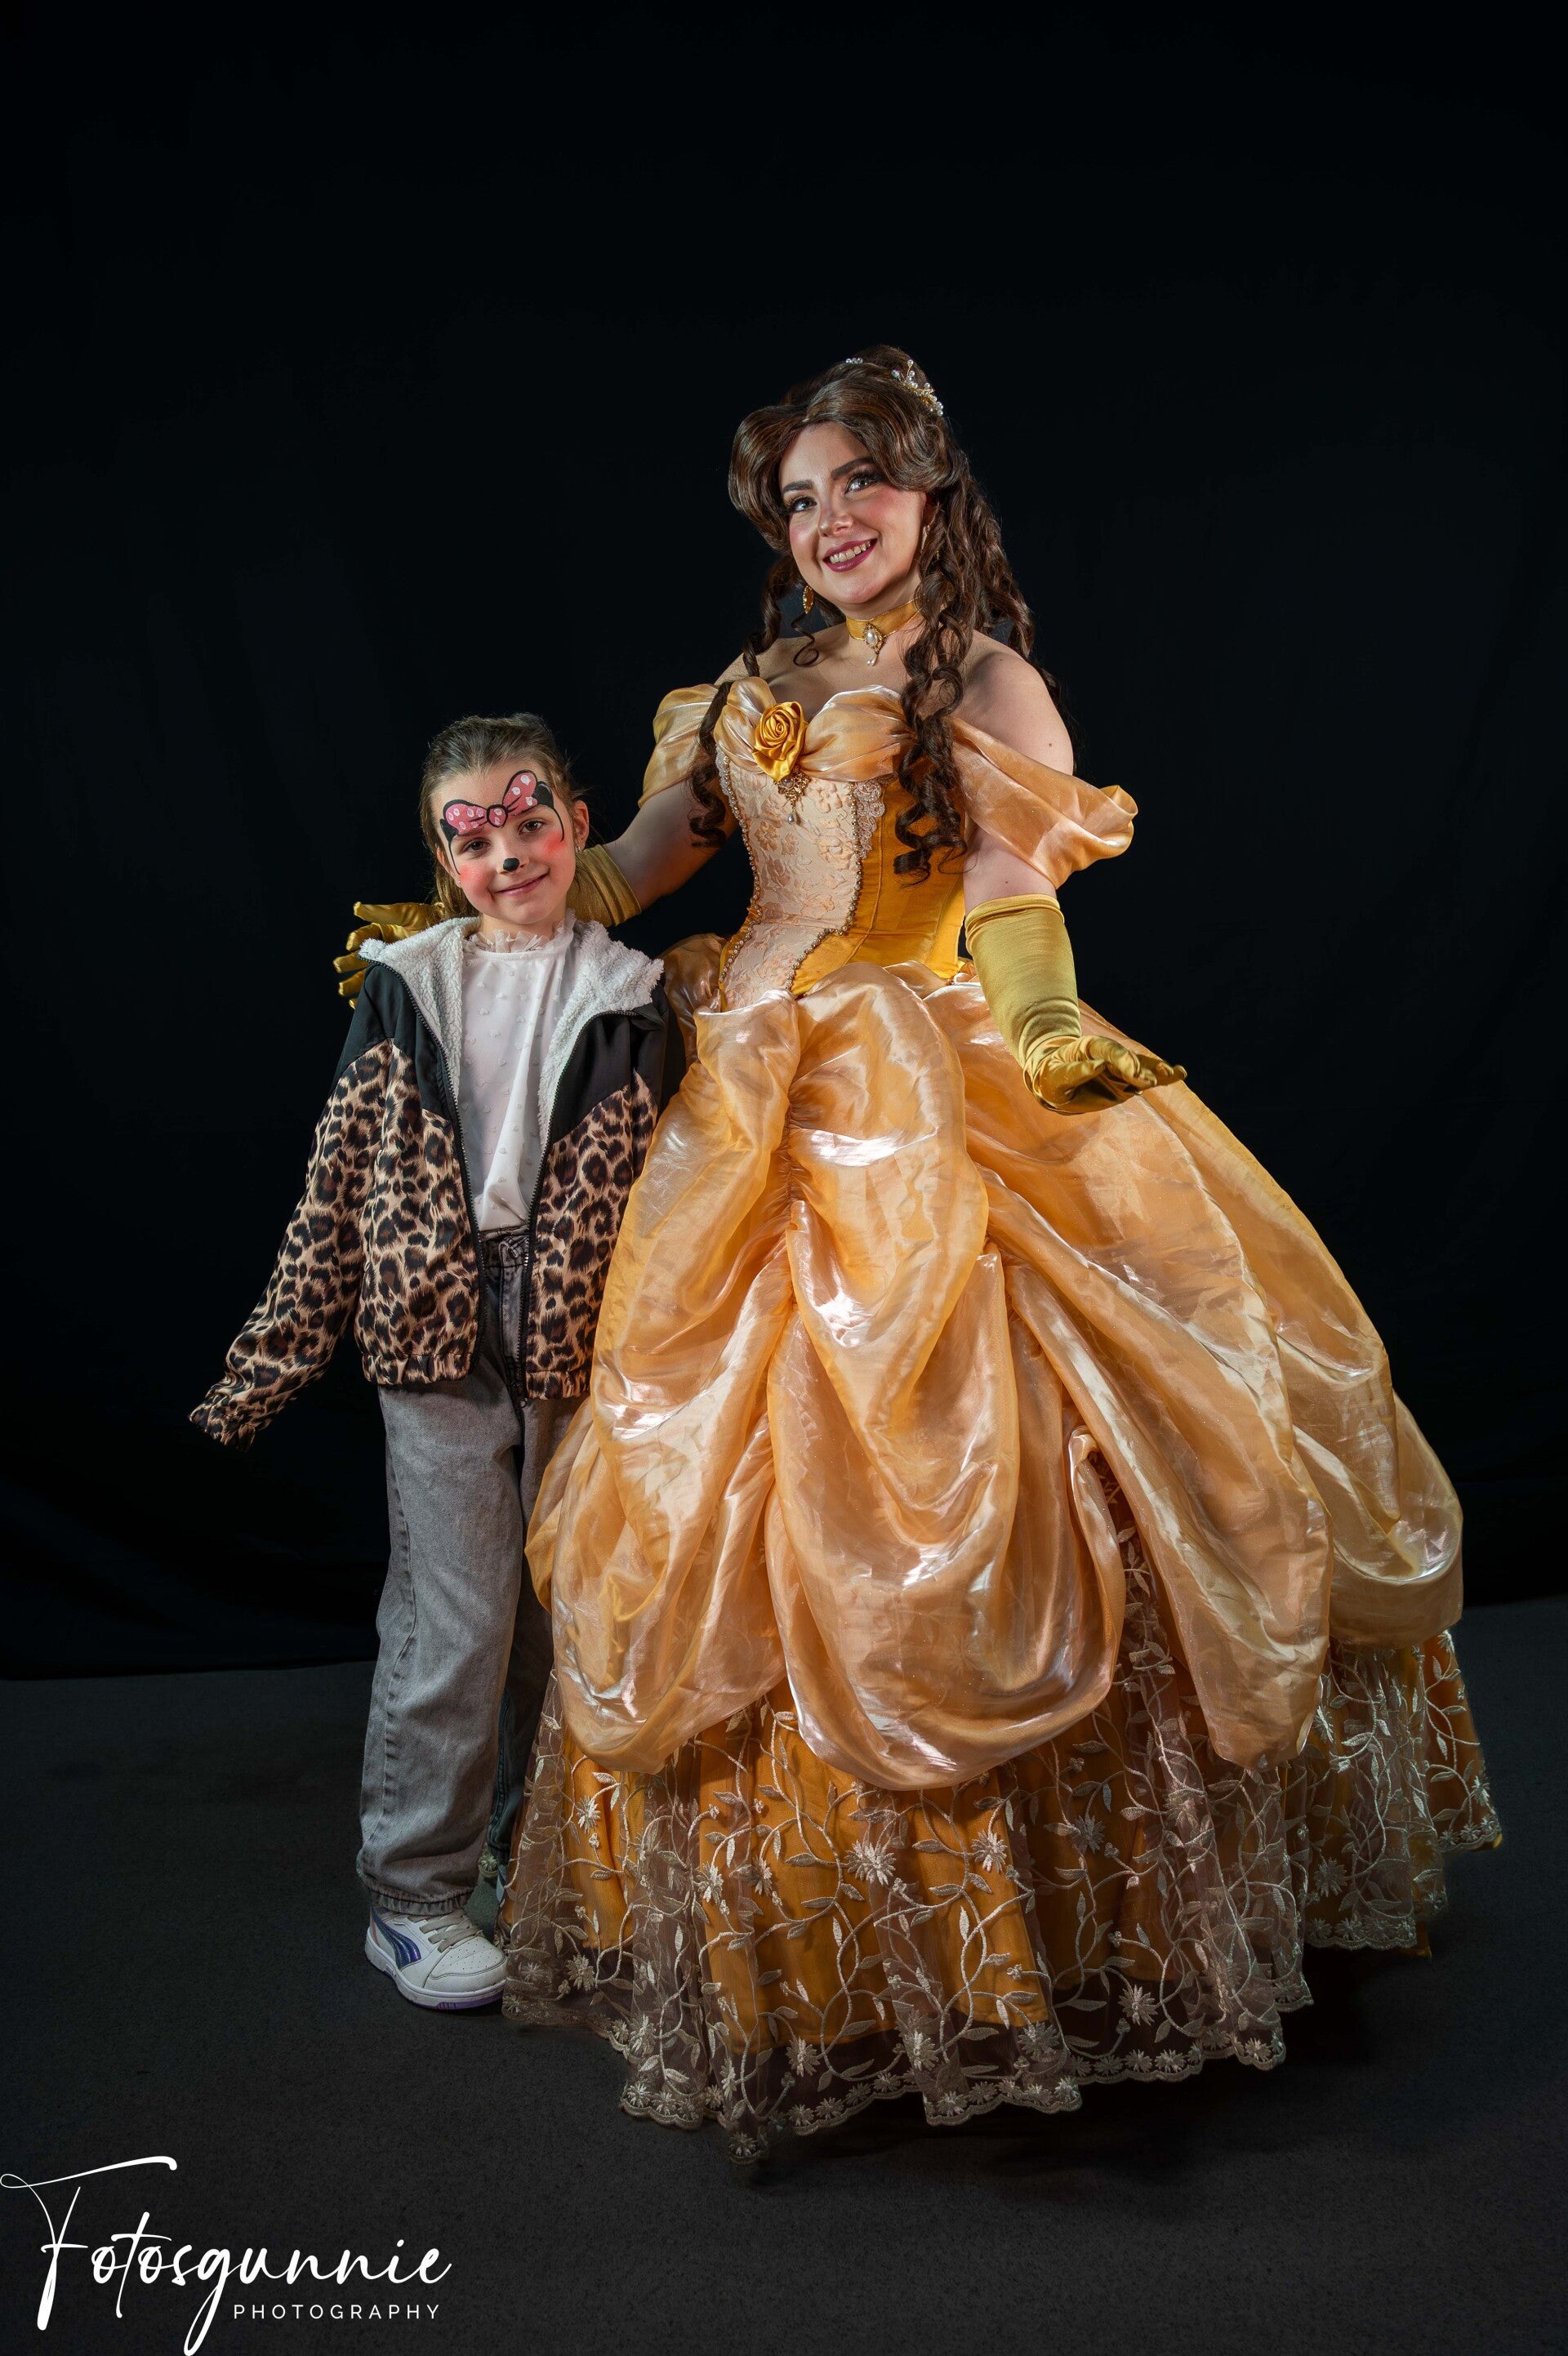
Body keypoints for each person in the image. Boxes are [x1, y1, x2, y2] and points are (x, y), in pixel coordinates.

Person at [480, 349, 1497, 2158]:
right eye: (800, 500)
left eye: (860, 484)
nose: (830, 522)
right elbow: (639, 862)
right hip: (752, 1088)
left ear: (932, 491)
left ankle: (1063, 1934)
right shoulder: (741, 689)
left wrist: (1040, 1028)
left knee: (1019, 1443)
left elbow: (1015, 895)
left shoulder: (986, 677)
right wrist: (497, 897)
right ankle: (828, 1954)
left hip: (926, 1066)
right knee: (706, 1460)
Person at [194, 713, 683, 2010]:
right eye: (474, 839)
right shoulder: (407, 986)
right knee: (455, 1619)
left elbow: (682, 1185)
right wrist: (273, 1356)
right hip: (436, 1330)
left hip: (578, 1336)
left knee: (561, 1623)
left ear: (577, 826)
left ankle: (528, 1864)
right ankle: (413, 1895)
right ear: (442, 859)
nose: (507, 855)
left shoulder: (635, 997)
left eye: (530, 823)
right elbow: (336, 1181)